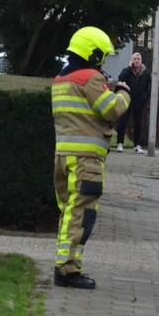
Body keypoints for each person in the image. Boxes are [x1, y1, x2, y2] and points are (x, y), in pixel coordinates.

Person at [51, 26, 130, 290]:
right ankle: (67, 270)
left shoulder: (61, 79)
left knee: (68, 212)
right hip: (86, 161)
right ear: (92, 51)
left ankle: (65, 264)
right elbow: (112, 109)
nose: (102, 60)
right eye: (101, 55)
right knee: (82, 215)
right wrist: (123, 91)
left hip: (64, 156)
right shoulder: (89, 78)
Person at [115, 52, 151, 153]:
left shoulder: (146, 72)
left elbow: (149, 86)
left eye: (138, 59)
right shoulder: (127, 71)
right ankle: (120, 143)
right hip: (127, 100)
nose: (136, 61)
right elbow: (121, 78)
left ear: (141, 60)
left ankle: (137, 145)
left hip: (139, 101)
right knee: (123, 122)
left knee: (138, 124)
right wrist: (128, 68)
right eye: (134, 59)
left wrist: (145, 97)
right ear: (131, 60)